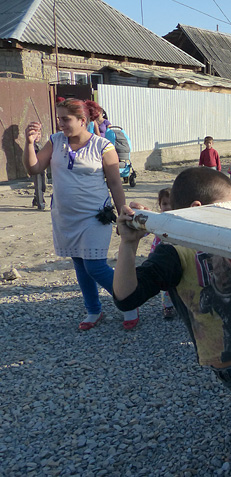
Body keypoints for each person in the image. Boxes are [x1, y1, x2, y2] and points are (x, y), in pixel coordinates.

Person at [113, 167, 231, 476]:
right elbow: (126, 298)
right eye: (226, 207)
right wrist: (128, 244)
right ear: (199, 209)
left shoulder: (219, 232)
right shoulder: (174, 252)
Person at [22, 98, 137, 330]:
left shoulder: (104, 146)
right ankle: (93, 310)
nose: (60, 124)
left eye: (66, 119)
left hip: (95, 216)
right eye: (59, 119)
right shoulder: (55, 141)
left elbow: (115, 183)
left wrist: (123, 212)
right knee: (80, 264)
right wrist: (28, 143)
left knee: (94, 266)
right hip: (65, 216)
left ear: (82, 121)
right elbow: (33, 168)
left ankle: (129, 302)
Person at [150, 188, 177, 319]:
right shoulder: (158, 220)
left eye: (171, 204)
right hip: (161, 257)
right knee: (165, 284)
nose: (168, 207)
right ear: (160, 205)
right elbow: (146, 228)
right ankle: (168, 306)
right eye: (165, 204)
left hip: (176, 256)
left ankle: (182, 304)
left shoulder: (181, 221)